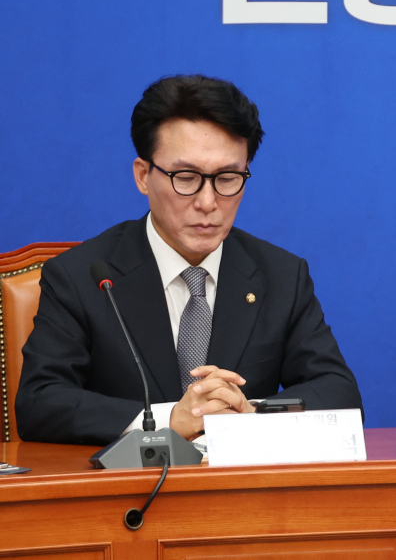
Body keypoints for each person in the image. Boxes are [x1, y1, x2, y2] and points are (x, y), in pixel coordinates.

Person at [17, 75, 361, 445]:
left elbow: (338, 392)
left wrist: (252, 416)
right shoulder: (82, 275)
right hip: (129, 492)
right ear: (143, 176)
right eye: (186, 176)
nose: (208, 202)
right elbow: (41, 402)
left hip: (241, 494)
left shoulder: (280, 274)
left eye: (228, 177)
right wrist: (167, 420)